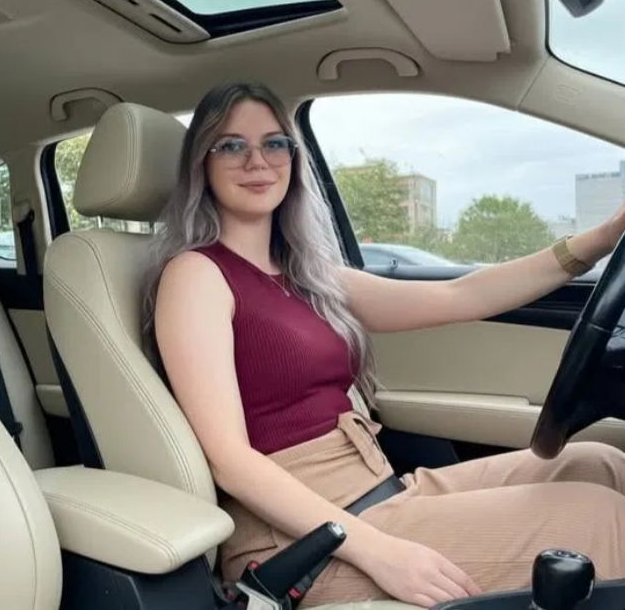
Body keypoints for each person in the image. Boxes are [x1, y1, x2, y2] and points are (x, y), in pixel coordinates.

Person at [146, 82, 625, 608]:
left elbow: (460, 295)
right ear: (203, 163)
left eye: (274, 143)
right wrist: (379, 551)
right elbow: (229, 460)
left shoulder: (309, 276)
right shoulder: (196, 275)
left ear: (293, 158)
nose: (257, 160)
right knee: (598, 518)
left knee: (600, 463)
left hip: (375, 493)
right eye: (231, 145)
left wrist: (603, 238)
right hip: (299, 543)